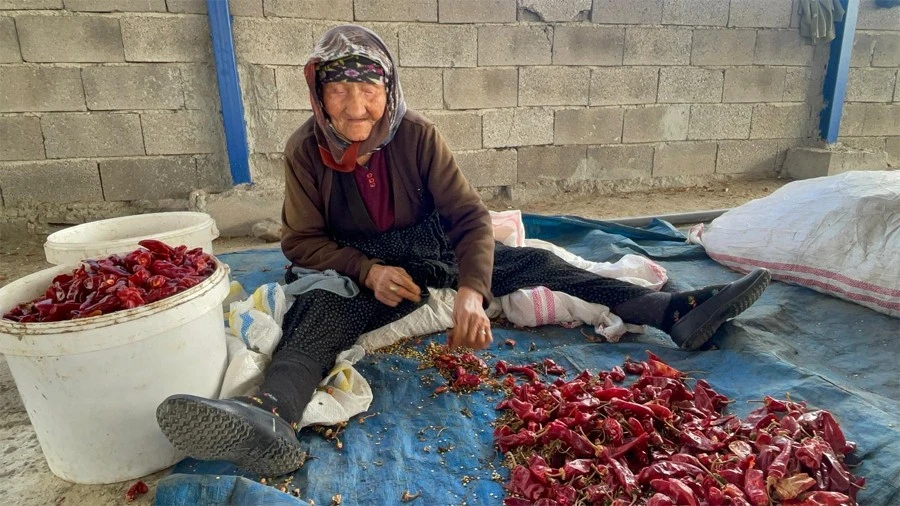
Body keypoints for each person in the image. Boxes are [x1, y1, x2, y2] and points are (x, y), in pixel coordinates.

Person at [156, 25, 770, 477]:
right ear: (318, 93)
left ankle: (668, 311)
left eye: (368, 87)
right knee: (317, 319)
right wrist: (366, 270)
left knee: (537, 263)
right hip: (352, 260)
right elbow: (300, 241)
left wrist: (473, 293)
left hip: (425, 246)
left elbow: (469, 218)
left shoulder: (417, 135)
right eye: (338, 89)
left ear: (389, 88)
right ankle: (271, 416)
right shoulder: (303, 150)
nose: (355, 106)